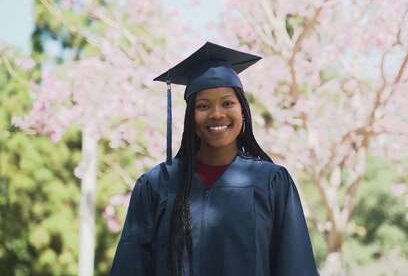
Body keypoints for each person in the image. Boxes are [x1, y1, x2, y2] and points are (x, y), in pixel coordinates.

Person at [109, 42, 318, 276]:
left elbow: (296, 266)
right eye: (203, 105)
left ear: (243, 111)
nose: (217, 113)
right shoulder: (156, 185)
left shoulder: (272, 183)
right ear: (191, 116)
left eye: (228, 103)